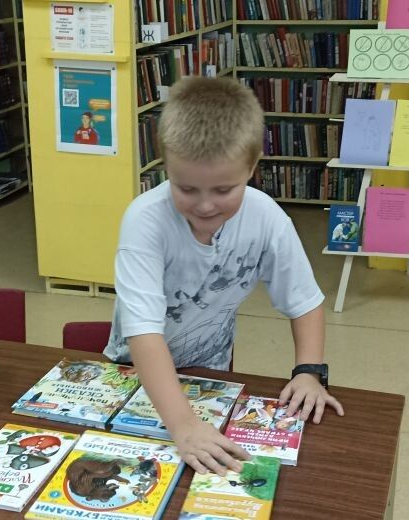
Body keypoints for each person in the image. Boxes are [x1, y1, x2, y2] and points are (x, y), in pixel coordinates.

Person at [103, 77, 343, 475]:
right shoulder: (144, 221)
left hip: (210, 373)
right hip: (136, 373)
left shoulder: (266, 218)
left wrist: (309, 372)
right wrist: (183, 426)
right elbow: (143, 332)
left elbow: (304, 302)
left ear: (251, 167)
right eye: (186, 188)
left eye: (223, 189)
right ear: (166, 166)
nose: (205, 205)